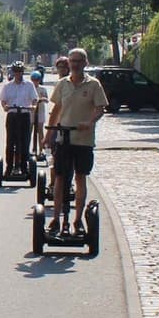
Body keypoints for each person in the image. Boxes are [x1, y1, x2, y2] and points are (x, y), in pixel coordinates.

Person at [47, 48, 111, 235]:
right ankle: (56, 218)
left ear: (85, 63)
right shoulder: (62, 84)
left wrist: (89, 122)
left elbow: (100, 109)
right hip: (63, 138)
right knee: (59, 178)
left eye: (78, 61)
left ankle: (77, 220)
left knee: (80, 177)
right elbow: (56, 109)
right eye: (72, 61)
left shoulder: (94, 85)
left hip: (83, 140)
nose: (74, 64)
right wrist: (49, 134)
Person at [0, 61, 40, 166]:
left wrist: (33, 106)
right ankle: (9, 165)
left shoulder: (29, 85)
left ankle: (24, 164)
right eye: (16, 71)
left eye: (20, 71)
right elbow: (3, 100)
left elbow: (35, 99)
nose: (18, 74)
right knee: (10, 141)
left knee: (25, 140)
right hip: (12, 116)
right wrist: (5, 107)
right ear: (13, 72)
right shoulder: (7, 86)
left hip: (24, 115)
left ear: (23, 72)